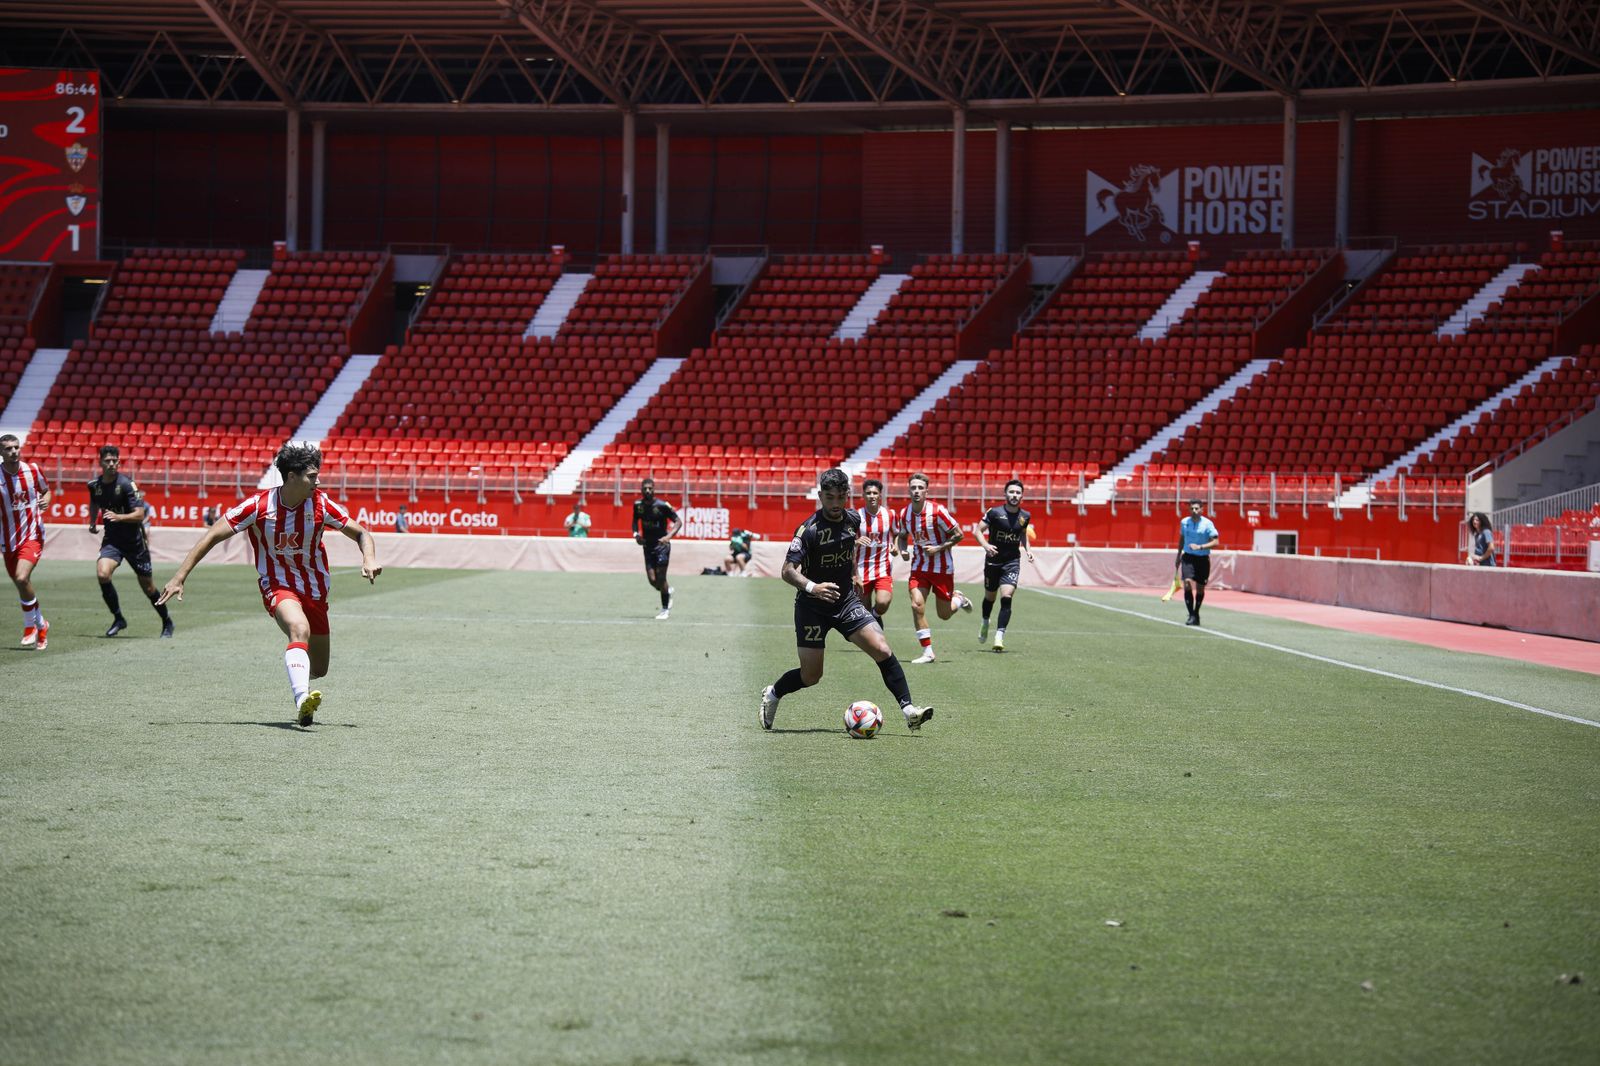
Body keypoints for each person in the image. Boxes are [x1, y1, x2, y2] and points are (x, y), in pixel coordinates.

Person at [157, 442, 381, 726]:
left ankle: (298, 669)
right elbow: (213, 535)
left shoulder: (321, 504)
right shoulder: (259, 506)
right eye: (312, 475)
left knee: (320, 668)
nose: (318, 480)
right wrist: (180, 576)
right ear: (291, 477)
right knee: (299, 629)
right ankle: (302, 699)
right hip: (277, 584)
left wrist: (369, 558)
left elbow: (361, 533)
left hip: (314, 590)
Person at [760, 467, 932, 733]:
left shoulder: (853, 519)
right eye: (830, 497)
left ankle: (909, 711)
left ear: (847, 496)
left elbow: (848, 547)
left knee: (882, 649)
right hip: (812, 608)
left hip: (845, 603)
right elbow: (787, 571)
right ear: (820, 496)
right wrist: (813, 587)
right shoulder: (809, 530)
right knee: (811, 676)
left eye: (841, 497)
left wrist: (853, 573)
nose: (836, 503)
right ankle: (773, 694)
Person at [87, 444, 173, 638]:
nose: (111, 464)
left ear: (119, 462)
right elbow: (94, 501)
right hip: (112, 541)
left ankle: (167, 621)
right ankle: (119, 618)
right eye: (107, 461)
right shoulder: (95, 485)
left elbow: (140, 514)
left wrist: (120, 517)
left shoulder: (126, 484)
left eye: (114, 461)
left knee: (148, 587)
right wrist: (93, 521)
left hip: (135, 543)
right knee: (102, 574)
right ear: (100, 462)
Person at [895, 471, 972, 664]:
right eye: (913, 487)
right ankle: (928, 651)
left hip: (942, 569)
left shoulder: (937, 511)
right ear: (909, 490)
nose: (917, 491)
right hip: (919, 568)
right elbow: (902, 537)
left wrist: (939, 548)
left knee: (944, 615)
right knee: (916, 605)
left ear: (926, 492)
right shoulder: (905, 514)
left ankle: (959, 600)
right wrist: (903, 550)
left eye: (920, 488)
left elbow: (959, 534)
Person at [0, 432, 51, 650]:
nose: (13, 452)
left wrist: (45, 502)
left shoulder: (33, 470)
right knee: (22, 585)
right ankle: (42, 625)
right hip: (7, 540)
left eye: (16, 447)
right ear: (1, 453)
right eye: (8, 449)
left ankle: (29, 625)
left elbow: (46, 491)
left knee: (22, 578)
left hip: (33, 535)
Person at [975, 479, 1034, 652]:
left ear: (1022, 495)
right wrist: (986, 546)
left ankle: (999, 636)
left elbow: (1023, 534)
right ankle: (985, 621)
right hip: (993, 561)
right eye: (1011, 492)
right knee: (990, 598)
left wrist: (1028, 550)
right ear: (1005, 493)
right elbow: (978, 531)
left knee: (1006, 597)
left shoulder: (1025, 516)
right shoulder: (994, 513)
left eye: (1018, 493)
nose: (1014, 495)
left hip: (1012, 561)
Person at [632, 477, 678, 619]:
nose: (647, 490)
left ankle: (665, 610)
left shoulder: (662, 505)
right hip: (647, 546)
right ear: (641, 490)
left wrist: (669, 536)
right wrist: (636, 535)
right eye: (645, 488)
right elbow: (634, 522)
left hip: (661, 546)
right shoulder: (638, 505)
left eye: (650, 488)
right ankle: (667, 591)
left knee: (661, 577)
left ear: (654, 489)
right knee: (653, 580)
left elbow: (678, 521)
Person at [853, 478, 896, 622]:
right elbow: (845, 540)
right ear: (863, 495)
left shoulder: (890, 515)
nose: (872, 496)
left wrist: (895, 545)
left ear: (880, 495)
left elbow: (897, 534)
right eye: (868, 493)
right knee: (863, 610)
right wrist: (856, 541)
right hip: (861, 568)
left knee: (883, 602)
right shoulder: (855, 516)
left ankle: (875, 616)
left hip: (882, 567)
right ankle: (873, 630)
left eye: (875, 493)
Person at [1176, 498, 1219, 626]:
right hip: (1188, 557)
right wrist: (1178, 555)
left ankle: (1196, 613)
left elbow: (1216, 542)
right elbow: (1182, 538)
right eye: (1192, 508)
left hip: (1202, 558)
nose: (1194, 511)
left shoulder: (1207, 524)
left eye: (1196, 508)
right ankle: (1191, 615)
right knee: (1187, 583)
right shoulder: (1184, 522)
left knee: (1200, 589)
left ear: (1201, 510)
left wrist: (1200, 547)